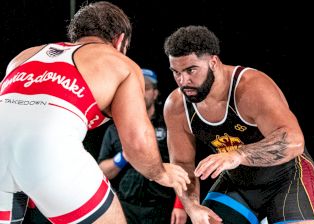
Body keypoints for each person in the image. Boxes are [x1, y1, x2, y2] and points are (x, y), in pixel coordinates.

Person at [0, 2, 190, 223]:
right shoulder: (119, 63)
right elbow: (137, 142)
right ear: (120, 41)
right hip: (47, 154)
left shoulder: (24, 56)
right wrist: (160, 173)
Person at [163, 25, 314, 224]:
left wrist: (239, 154)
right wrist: (192, 206)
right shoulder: (176, 105)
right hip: (238, 182)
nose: (183, 81)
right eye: (176, 72)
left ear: (213, 62)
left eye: (191, 70)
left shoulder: (250, 87)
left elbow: (294, 141)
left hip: (286, 177)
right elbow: (183, 165)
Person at [98, 68, 188, 224]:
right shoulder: (115, 128)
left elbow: (184, 165)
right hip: (125, 206)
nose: (140, 92)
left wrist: (181, 205)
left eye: (145, 87)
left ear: (155, 93)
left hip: (161, 208)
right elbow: (102, 171)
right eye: (136, 88)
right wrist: (124, 156)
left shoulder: (169, 125)